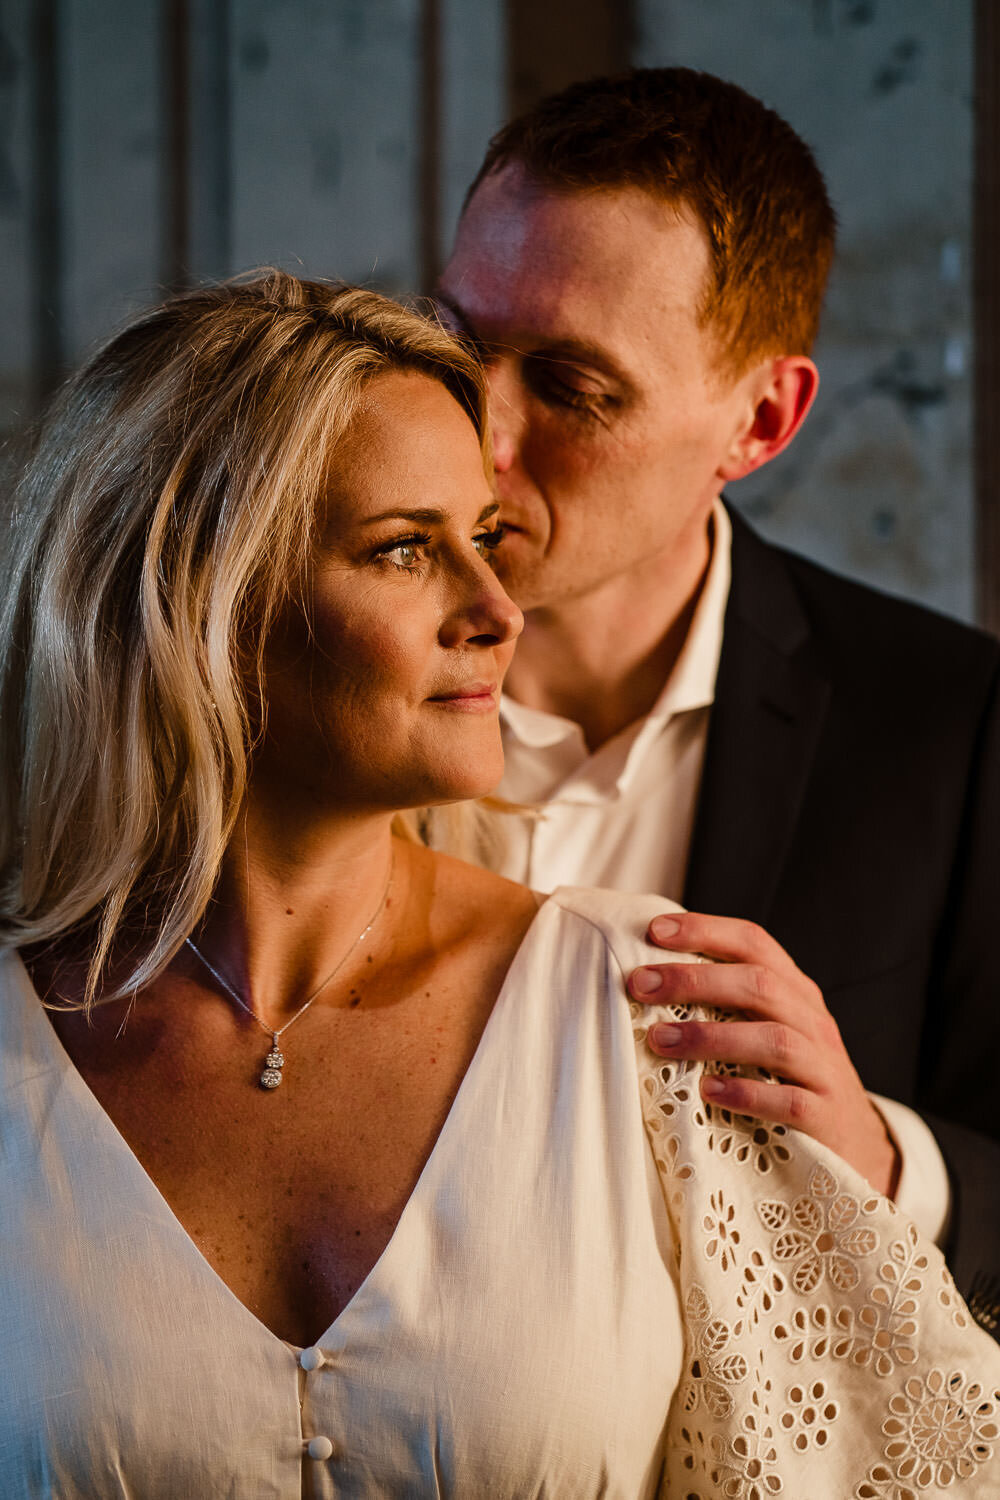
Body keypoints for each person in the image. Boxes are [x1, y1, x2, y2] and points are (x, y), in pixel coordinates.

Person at [2, 271, 997, 1496]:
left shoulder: (654, 1009)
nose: (495, 608)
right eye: (406, 549)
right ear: (199, 601)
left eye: (483, 538)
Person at [434, 66, 1000, 1312]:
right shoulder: (277, 671)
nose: (479, 432)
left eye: (573, 388)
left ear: (760, 420)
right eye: (459, 344)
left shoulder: (951, 727)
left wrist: (882, 1156)